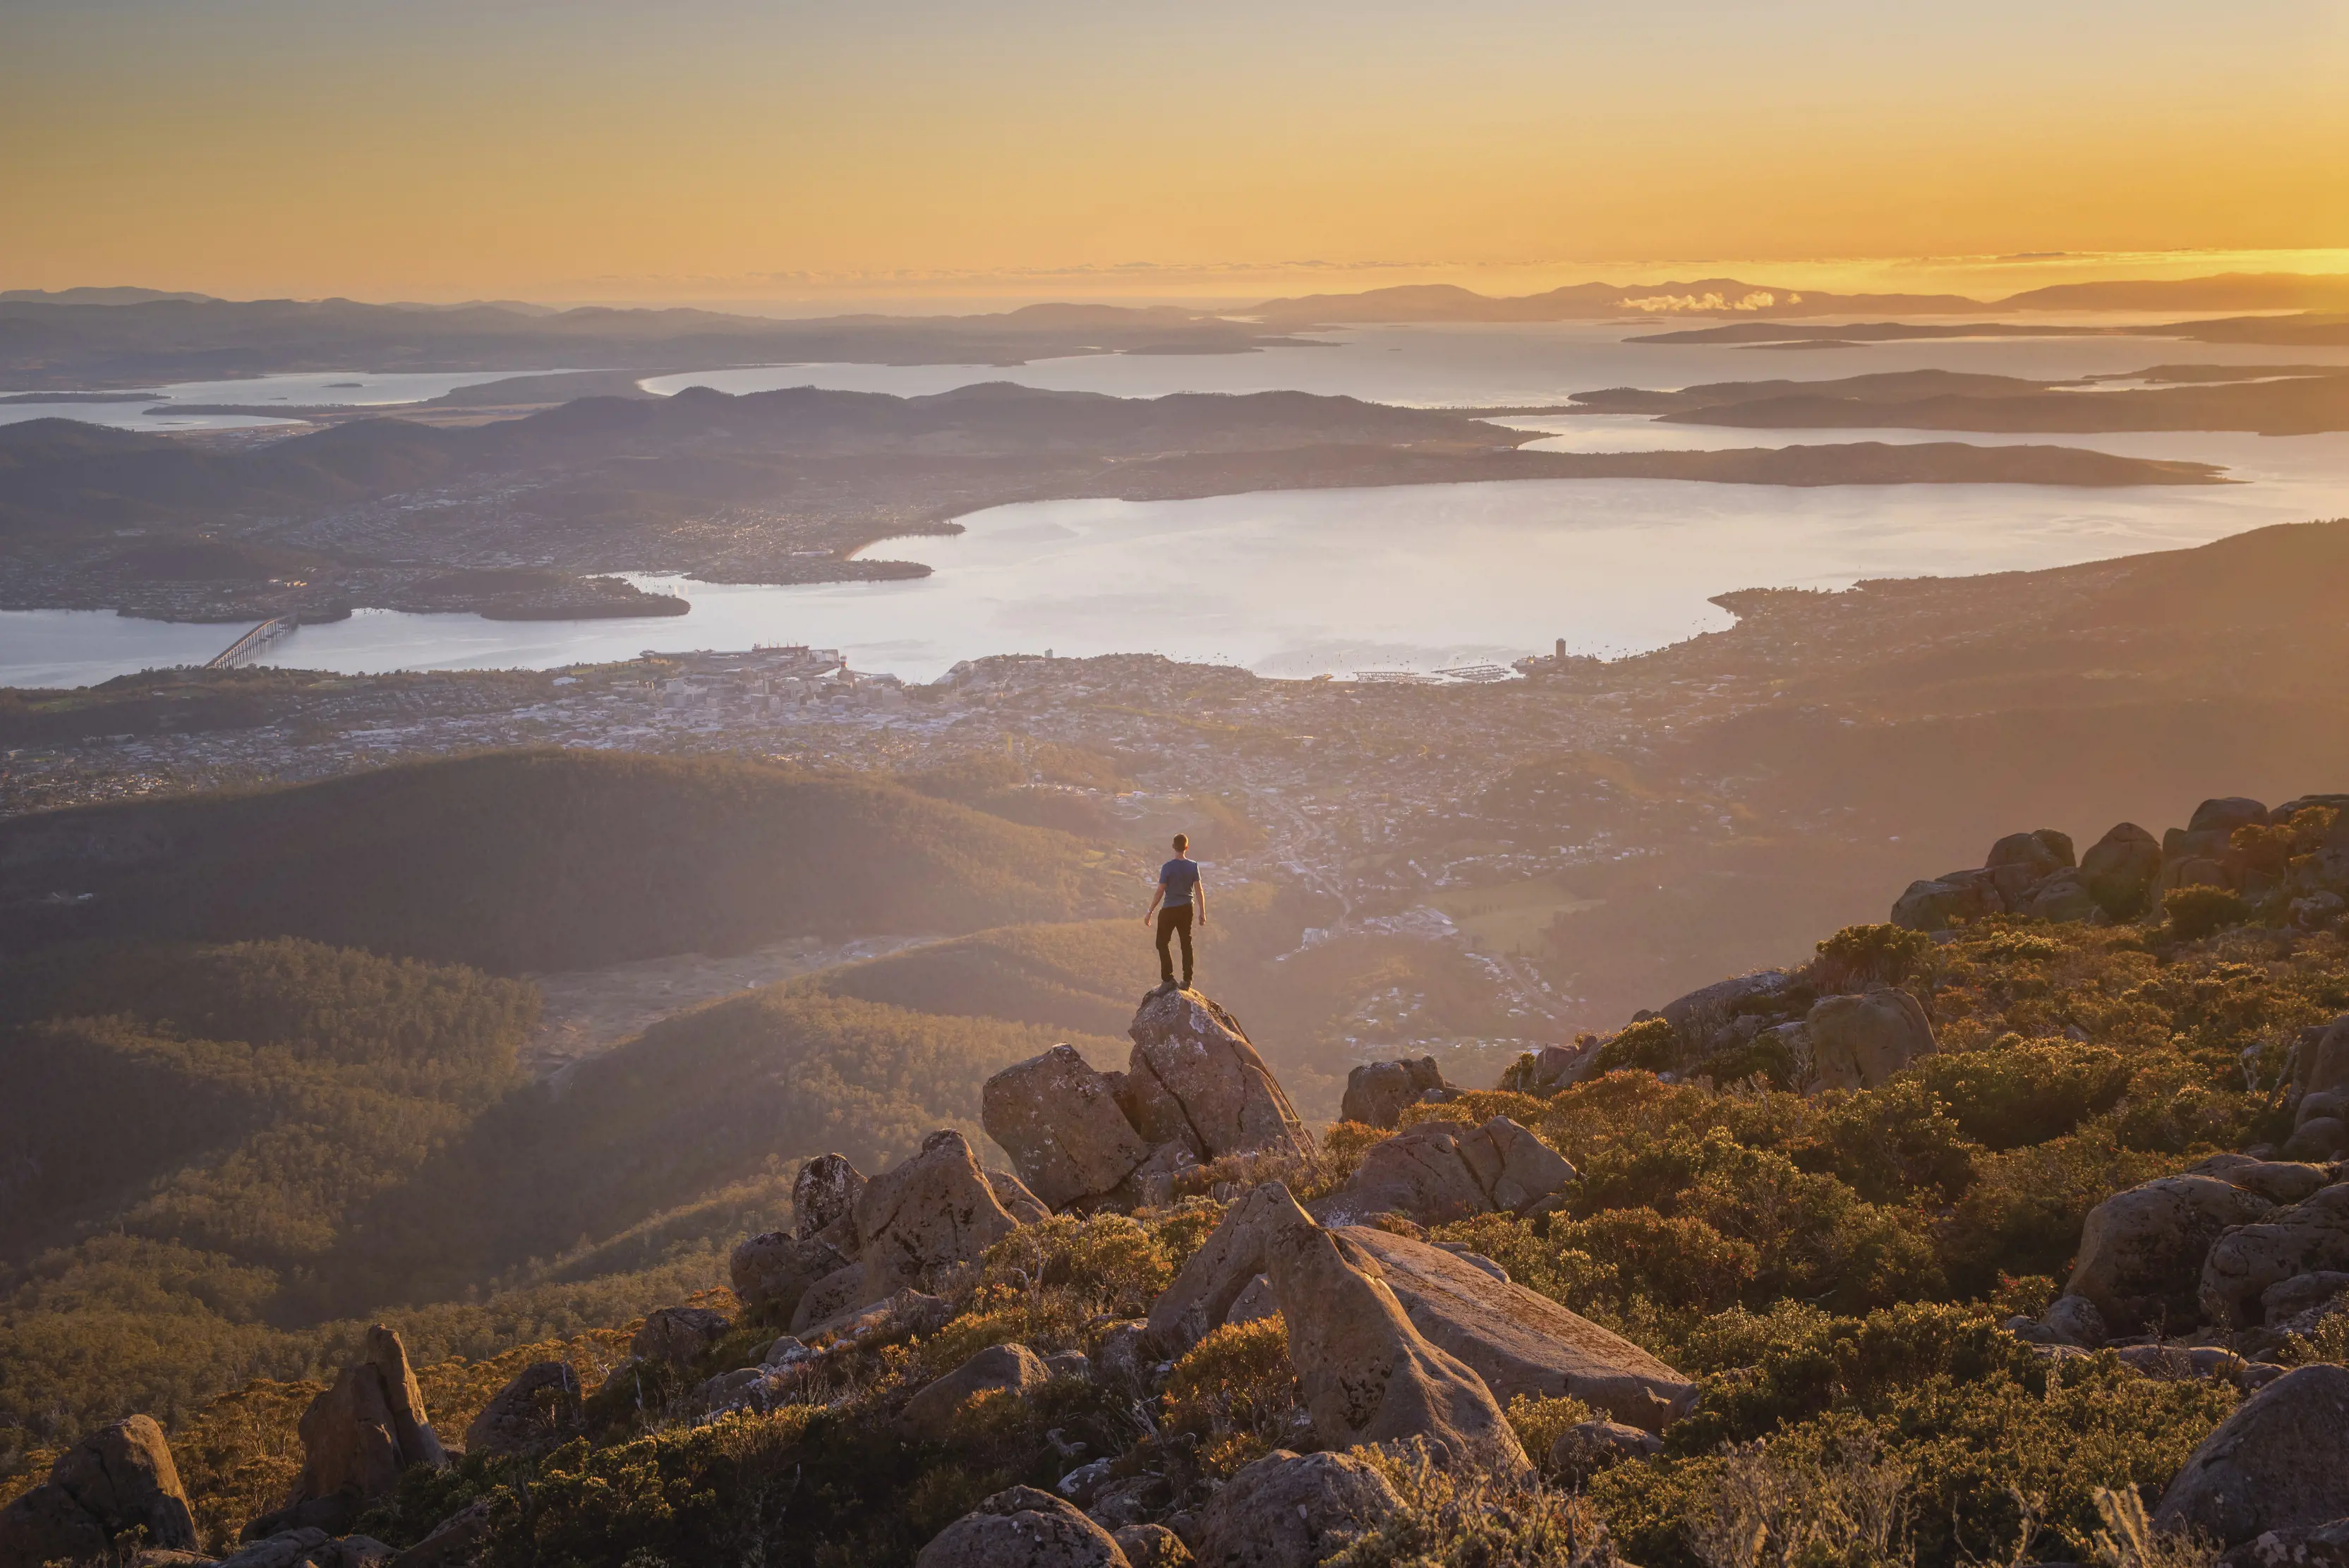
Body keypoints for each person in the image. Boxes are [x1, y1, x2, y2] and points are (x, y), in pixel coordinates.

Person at [1142, 833, 1205, 993]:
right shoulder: (1193, 866)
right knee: (1186, 943)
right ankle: (1187, 980)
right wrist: (1202, 912)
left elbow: (1160, 891)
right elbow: (1199, 890)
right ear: (1187, 847)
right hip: (1186, 909)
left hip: (1169, 909)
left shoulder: (1168, 867)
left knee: (1162, 943)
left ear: (1173, 847)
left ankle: (1168, 979)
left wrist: (1150, 911)